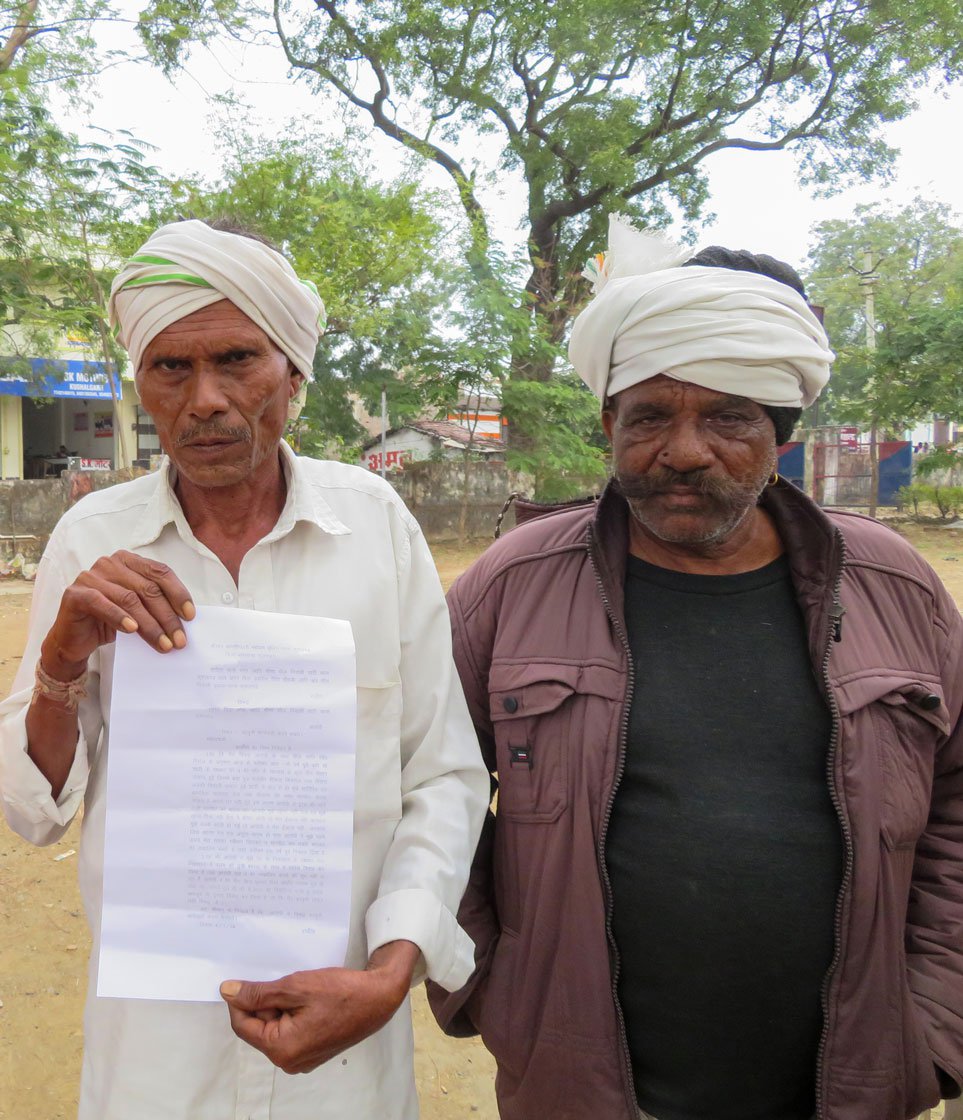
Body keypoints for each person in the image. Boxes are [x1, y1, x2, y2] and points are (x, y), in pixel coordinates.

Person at [428, 216, 963, 1120]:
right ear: (607, 420)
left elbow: (955, 802)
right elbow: (419, 788)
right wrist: (498, 989)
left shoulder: (893, 587)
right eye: (649, 416)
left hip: (848, 1086)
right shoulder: (508, 589)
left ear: (780, 431)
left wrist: (935, 1018)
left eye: (726, 417)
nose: (683, 450)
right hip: (580, 1086)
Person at [0, 218, 489, 1120]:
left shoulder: (375, 524)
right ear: (141, 384)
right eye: (170, 368)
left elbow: (443, 772)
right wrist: (65, 660)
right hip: (157, 1049)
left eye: (236, 360)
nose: (206, 400)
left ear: (294, 377)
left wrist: (391, 971)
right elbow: (33, 810)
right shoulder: (91, 540)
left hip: (345, 1043)